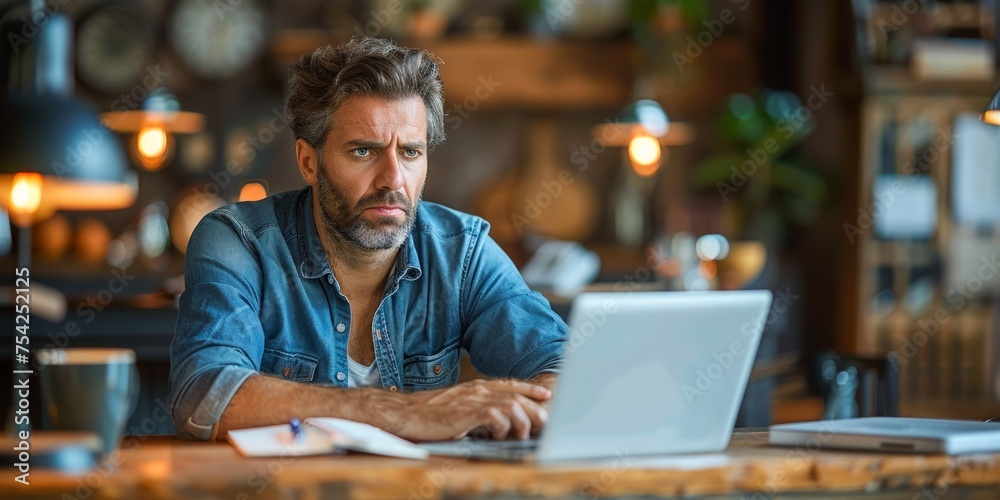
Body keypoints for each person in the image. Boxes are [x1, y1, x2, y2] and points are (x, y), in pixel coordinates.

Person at [169, 37, 568, 443]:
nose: (393, 179)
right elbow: (204, 395)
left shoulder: (462, 251)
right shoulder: (238, 242)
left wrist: (524, 407)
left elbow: (568, 370)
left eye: (411, 152)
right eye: (364, 152)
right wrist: (402, 412)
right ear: (309, 161)